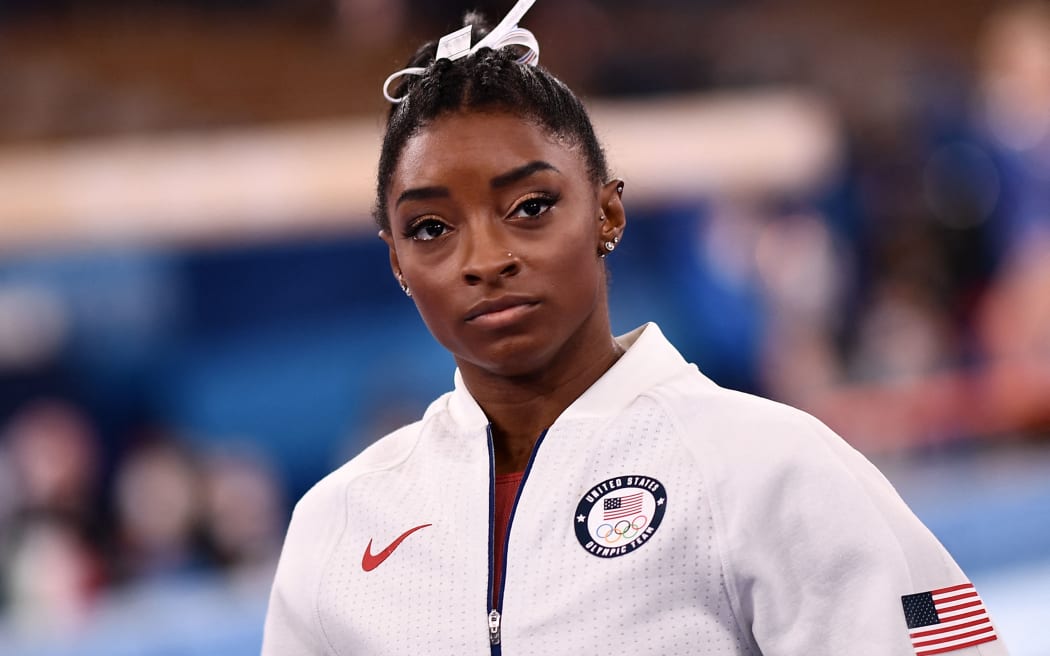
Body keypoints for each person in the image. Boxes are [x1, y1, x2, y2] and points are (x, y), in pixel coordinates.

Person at [262, 2, 1008, 654]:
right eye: (430, 227)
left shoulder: (771, 469)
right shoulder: (339, 525)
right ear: (396, 262)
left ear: (608, 213)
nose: (485, 260)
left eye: (529, 208)